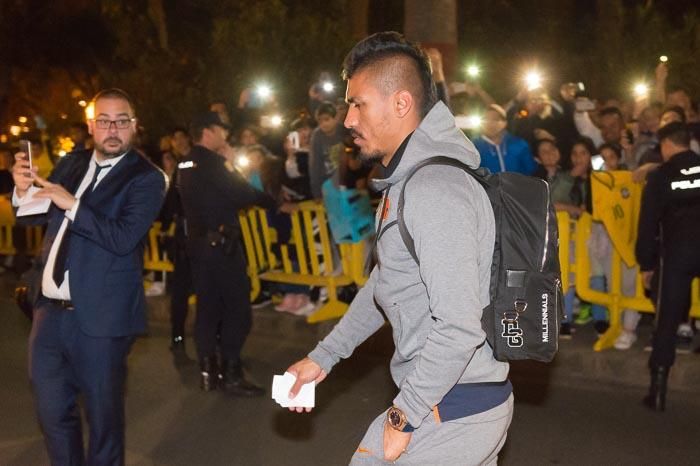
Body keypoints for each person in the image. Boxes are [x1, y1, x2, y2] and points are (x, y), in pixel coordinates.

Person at [286, 32, 512, 465]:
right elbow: (387, 282)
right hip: (439, 402)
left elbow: (460, 327)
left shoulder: (434, 188)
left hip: (451, 412)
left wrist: (403, 417)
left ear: (401, 104)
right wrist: (324, 357)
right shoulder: (407, 182)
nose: (348, 119)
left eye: (358, 104)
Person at [12, 88, 167, 465]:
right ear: (90, 125)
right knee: (52, 415)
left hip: (102, 318)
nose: (112, 128)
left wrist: (73, 204)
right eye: (104, 120)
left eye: (121, 121)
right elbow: (35, 213)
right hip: (48, 314)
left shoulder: (147, 178)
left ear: (134, 126)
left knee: (103, 423)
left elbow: (122, 238)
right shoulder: (73, 162)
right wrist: (21, 190)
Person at [177, 111, 287, 396]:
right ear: (209, 131)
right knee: (238, 309)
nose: (225, 135)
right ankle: (232, 372)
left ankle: (207, 371)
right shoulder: (215, 163)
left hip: (198, 247)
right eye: (221, 130)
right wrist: (273, 203)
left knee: (207, 309)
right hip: (222, 247)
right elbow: (243, 193)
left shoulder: (185, 163)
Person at [636, 122, 700, 411]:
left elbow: (648, 223)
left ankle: (658, 391)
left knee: (667, 321)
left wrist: (646, 263)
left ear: (665, 146)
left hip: (677, 253)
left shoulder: (662, 175)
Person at [473, 104, 537, 175]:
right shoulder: (474, 147)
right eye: (485, 119)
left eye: (495, 119)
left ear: (504, 123)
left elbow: (531, 171)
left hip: (518, 185)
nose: (490, 123)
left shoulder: (519, 144)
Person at [308, 101, 346, 199]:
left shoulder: (344, 131)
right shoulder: (317, 136)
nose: (324, 124)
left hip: (347, 180)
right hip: (328, 184)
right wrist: (317, 193)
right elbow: (315, 165)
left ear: (335, 118)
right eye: (320, 121)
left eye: (327, 119)